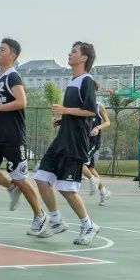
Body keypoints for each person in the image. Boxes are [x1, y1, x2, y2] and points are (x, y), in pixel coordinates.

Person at [0, 38, 48, 233]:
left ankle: (39, 214)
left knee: (21, 178)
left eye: (2, 49)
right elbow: (0, 102)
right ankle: (10, 187)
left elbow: (22, 102)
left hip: (13, 136)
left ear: (12, 55)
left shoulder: (13, 76)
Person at [32, 42, 101, 245]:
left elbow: (90, 111)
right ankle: (56, 221)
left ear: (84, 58)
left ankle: (89, 226)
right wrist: (63, 119)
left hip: (75, 143)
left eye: (74, 52)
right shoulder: (74, 81)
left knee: (67, 188)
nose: (69, 54)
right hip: (62, 139)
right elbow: (78, 112)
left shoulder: (86, 81)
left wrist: (65, 111)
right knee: (41, 178)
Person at [82, 87, 111, 205]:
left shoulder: (99, 106)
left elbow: (108, 122)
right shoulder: (81, 106)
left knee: (80, 163)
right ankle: (104, 192)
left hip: (93, 143)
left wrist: (98, 128)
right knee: (91, 169)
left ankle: (92, 181)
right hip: (83, 142)